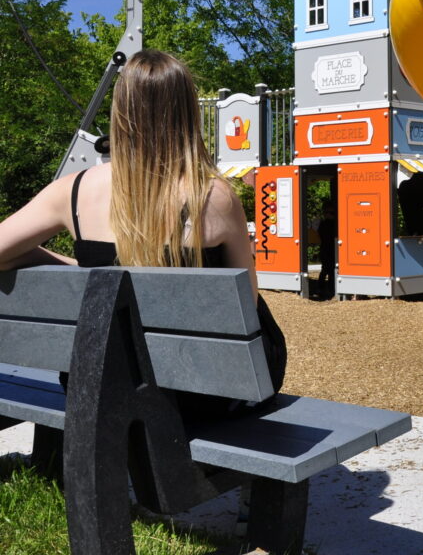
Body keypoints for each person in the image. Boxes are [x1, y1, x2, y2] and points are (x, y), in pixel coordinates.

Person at [0, 49, 285, 416]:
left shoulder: (72, 191)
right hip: (201, 393)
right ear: (188, 112)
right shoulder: (211, 197)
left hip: (98, 384)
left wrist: (79, 270)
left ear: (122, 111)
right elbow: (245, 304)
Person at [315, 200, 337, 300]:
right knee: (328, 270)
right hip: (328, 250)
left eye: (331, 213)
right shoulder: (330, 225)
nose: (329, 215)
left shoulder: (323, 224)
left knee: (326, 270)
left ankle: (323, 289)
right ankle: (329, 289)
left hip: (327, 250)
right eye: (327, 213)